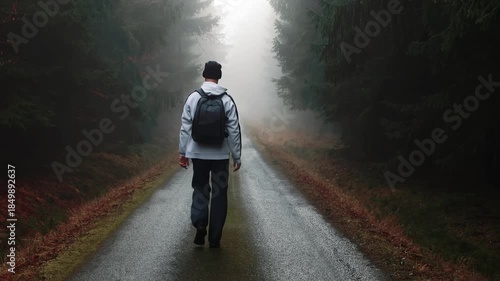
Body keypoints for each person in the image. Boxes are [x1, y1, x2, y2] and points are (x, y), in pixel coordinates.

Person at [179, 61, 242, 248]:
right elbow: (234, 131)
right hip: (220, 156)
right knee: (219, 194)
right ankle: (215, 238)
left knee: (200, 188)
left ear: (204, 75)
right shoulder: (227, 100)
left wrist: (183, 152)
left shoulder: (193, 98)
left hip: (197, 153)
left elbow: (185, 128)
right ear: (219, 76)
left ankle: (200, 223)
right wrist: (236, 156)